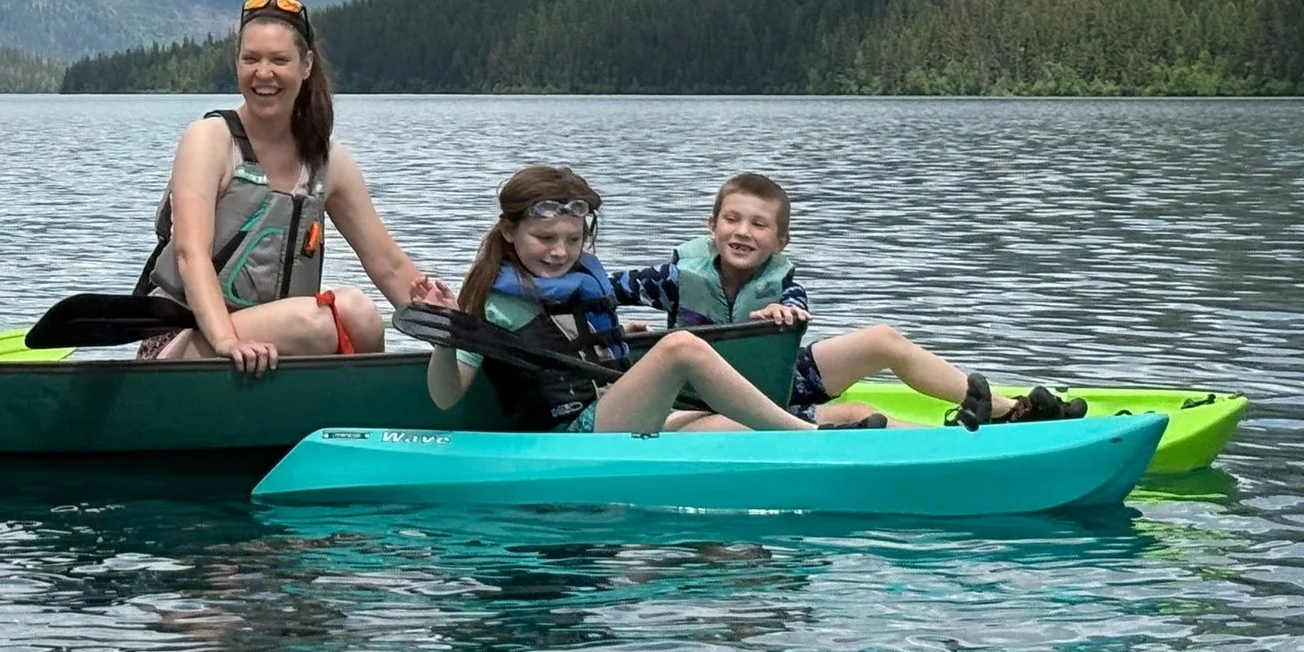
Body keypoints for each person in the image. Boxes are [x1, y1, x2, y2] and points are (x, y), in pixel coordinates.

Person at [611, 171, 1084, 429]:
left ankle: (1006, 410)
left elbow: (797, 307)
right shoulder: (671, 278)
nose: (742, 232)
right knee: (860, 415)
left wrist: (785, 313)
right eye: (731, 220)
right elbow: (601, 293)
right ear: (711, 227)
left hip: (780, 383)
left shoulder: (784, 284)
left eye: (758, 225)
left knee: (882, 338)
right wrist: (618, 334)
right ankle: (950, 447)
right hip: (703, 401)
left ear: (780, 240)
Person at [136, 0, 455, 373]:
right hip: (185, 341)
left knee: (362, 318)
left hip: (270, 352)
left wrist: (451, 325)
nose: (263, 73)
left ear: (305, 66)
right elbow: (191, 255)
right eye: (250, 59)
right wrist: (227, 341)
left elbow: (387, 264)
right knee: (333, 318)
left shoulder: (329, 163)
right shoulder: (208, 139)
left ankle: (363, 418)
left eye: (279, 60)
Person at [424, 165, 857, 434]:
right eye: (544, 238)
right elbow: (445, 397)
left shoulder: (579, 282)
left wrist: (616, 336)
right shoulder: (490, 303)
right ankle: (803, 439)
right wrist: (445, 339)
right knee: (681, 346)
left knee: (733, 425)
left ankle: (866, 429)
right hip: (573, 432)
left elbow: (572, 343)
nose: (559, 252)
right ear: (509, 232)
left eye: (573, 240)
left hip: (622, 410)